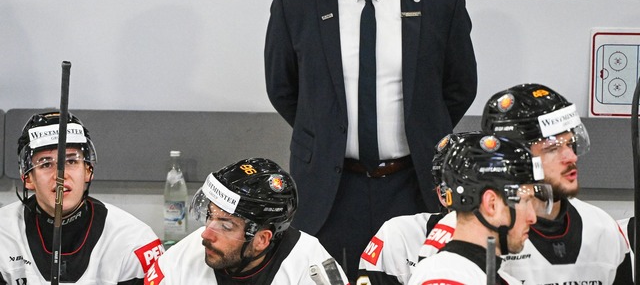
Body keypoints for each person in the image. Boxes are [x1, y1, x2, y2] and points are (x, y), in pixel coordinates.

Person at [264, 0, 477, 279]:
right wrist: (326, 131)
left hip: (415, 186)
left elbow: (458, 86)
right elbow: (284, 89)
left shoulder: (440, 2)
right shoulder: (296, 2)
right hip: (329, 190)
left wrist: (420, 131)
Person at [482, 83, 633, 284]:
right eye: (552, 148)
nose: (571, 157)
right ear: (512, 159)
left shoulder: (603, 228)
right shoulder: (478, 233)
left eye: (571, 144)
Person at [0, 111, 163, 284]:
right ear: (27, 177)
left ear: (88, 170)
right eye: (46, 164)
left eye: (71, 162)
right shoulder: (3, 232)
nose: (60, 176)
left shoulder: (135, 241)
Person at [145, 158, 348, 284]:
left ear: (261, 239)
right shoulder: (175, 263)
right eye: (209, 216)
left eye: (226, 226)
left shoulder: (311, 264)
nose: (206, 234)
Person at [407, 132, 552, 285]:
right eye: (525, 201)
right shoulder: (445, 276)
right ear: (491, 204)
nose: (532, 217)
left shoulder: (482, 276)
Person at [356, 134, 456, 284]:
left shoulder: (504, 242)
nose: (487, 201)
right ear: (442, 195)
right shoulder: (399, 236)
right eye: (471, 190)